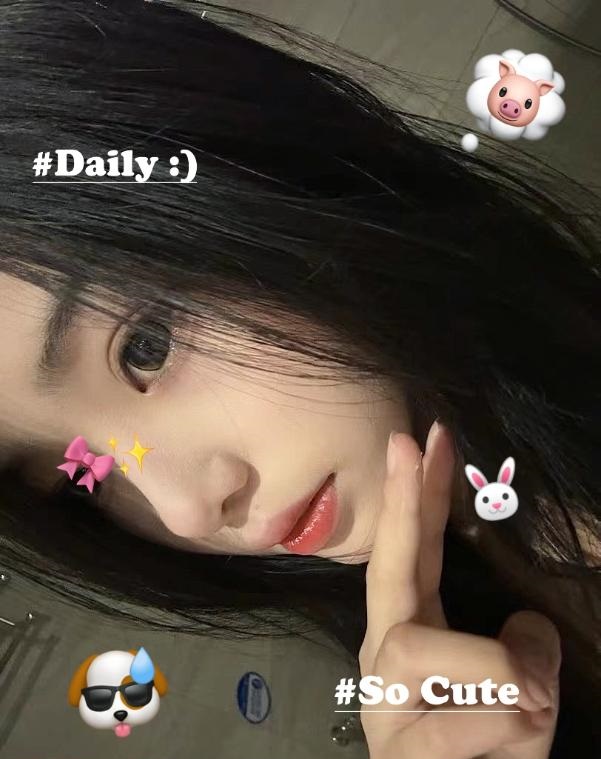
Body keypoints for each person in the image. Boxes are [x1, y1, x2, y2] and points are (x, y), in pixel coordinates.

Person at [0, 1, 599, 757]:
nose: (187, 512)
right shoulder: (448, 661)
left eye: (145, 347)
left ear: (261, 178)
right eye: (80, 476)